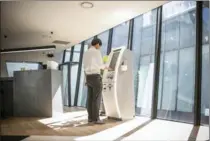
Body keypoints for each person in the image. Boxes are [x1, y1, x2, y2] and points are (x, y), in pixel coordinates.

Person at [83, 38, 108, 124]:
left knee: (90, 98)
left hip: (88, 77)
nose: (99, 48)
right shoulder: (96, 52)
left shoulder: (86, 53)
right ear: (97, 44)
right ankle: (96, 119)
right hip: (95, 77)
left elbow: (85, 67)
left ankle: (90, 118)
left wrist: (85, 79)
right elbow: (100, 65)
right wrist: (106, 67)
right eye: (99, 46)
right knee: (96, 98)